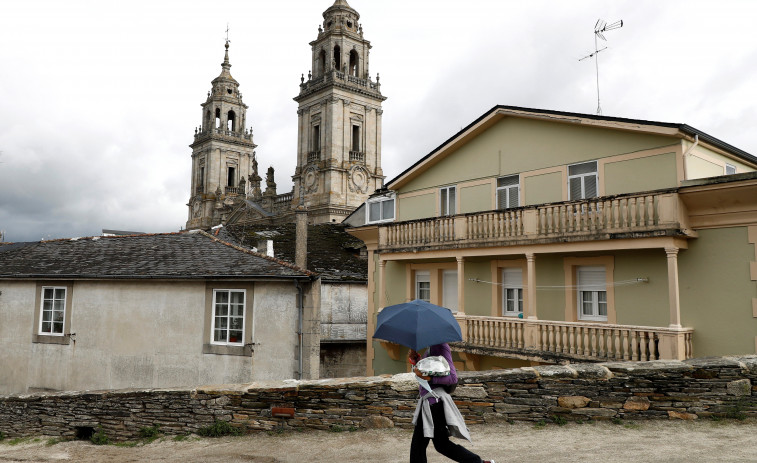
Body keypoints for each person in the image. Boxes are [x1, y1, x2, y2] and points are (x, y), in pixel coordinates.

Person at [409, 343, 495, 463]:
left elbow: (452, 378)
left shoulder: (441, 347)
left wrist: (430, 379)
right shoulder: (432, 347)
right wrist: (416, 360)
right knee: (441, 445)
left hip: (434, 403)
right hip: (431, 402)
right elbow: (432, 370)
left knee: (418, 447)